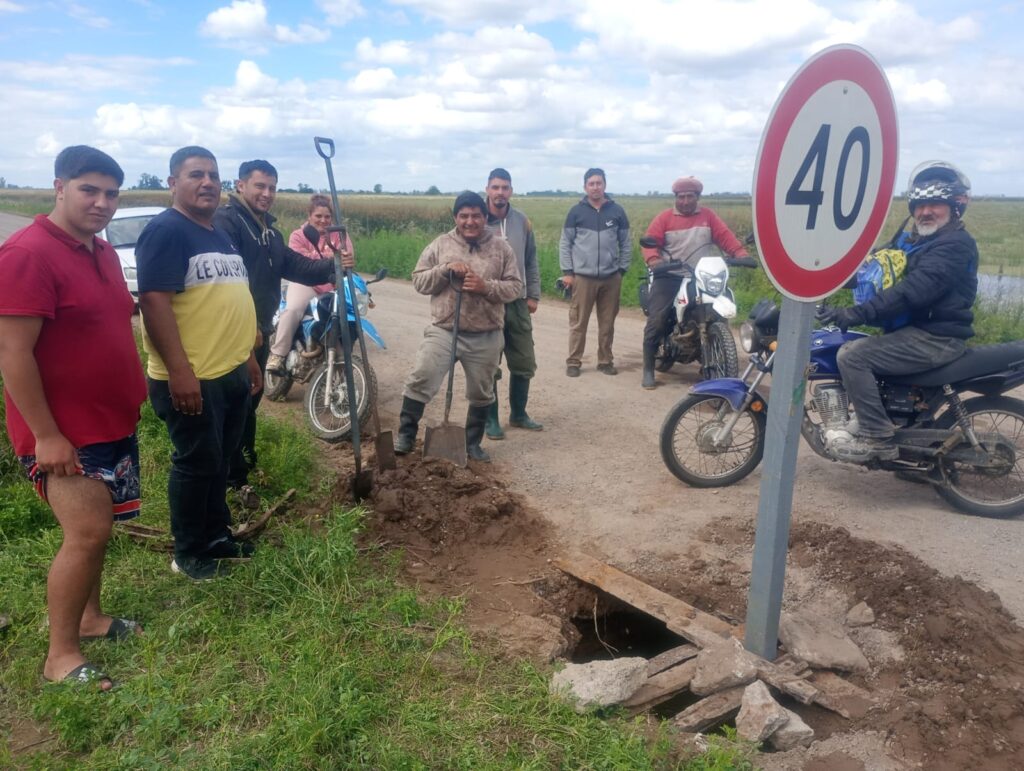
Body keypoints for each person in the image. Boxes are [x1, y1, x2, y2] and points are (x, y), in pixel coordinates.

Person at [0, 145, 146, 690]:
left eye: (112, 193)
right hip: (64, 431)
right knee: (85, 534)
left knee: (100, 531)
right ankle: (59, 655)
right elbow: (12, 353)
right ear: (59, 186)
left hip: (110, 420)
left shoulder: (101, 251)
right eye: (89, 189)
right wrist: (45, 435)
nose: (103, 202)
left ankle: (89, 618)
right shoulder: (27, 254)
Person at [136, 146, 260, 581]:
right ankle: (189, 553)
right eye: (195, 175)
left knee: (220, 461)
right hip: (192, 376)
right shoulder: (167, 231)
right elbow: (153, 303)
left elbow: (228, 303)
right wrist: (179, 371)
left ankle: (216, 537)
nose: (207, 182)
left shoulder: (217, 233)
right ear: (173, 183)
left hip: (228, 371)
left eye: (213, 175)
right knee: (195, 463)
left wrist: (247, 359)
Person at [817, 163, 978, 463]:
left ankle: (878, 437)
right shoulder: (917, 241)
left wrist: (858, 312)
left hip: (936, 337)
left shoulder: (954, 245)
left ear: (955, 207)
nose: (925, 212)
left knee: (853, 355)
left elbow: (913, 292)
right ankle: (879, 422)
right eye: (919, 205)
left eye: (935, 204)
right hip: (919, 332)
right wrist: (826, 278)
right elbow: (874, 270)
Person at [213, 161, 337, 490]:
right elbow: (228, 286)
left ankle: (244, 471)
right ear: (241, 185)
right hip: (234, 332)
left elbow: (294, 265)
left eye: (272, 187)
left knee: (248, 403)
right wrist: (245, 328)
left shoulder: (267, 230)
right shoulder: (227, 223)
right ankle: (229, 481)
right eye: (259, 186)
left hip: (258, 330)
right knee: (233, 406)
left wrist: (332, 268)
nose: (267, 193)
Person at [395, 191, 522, 463]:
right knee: (422, 376)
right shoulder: (440, 245)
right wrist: (444, 270)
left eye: (476, 215)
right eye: (463, 215)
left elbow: (515, 287)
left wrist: (485, 287)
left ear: (484, 217)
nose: (470, 221)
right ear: (455, 217)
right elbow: (418, 281)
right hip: (444, 330)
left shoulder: (501, 248)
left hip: (486, 333)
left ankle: (471, 443)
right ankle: (406, 435)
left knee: (481, 390)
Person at [639, 176, 750, 389]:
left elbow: (725, 237)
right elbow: (650, 242)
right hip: (670, 275)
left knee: (716, 310)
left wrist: (740, 254)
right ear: (676, 197)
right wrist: (654, 260)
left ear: (697, 197)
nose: (686, 201)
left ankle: (712, 357)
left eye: (690, 196)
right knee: (657, 319)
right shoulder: (665, 218)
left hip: (702, 274)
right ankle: (648, 369)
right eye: (681, 196)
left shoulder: (708, 216)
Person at [482, 168, 543, 440]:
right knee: (488, 364)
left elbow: (530, 259)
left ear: (511, 191)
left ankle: (518, 414)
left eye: (505, 188)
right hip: (486, 304)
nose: (500, 193)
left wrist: (533, 295)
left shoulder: (522, 222)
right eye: (495, 187)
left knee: (524, 361)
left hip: (517, 302)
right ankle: (490, 419)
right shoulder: (476, 220)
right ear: (487, 189)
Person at [559, 168, 631, 377]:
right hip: (582, 277)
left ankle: (605, 360)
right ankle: (574, 362)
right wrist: (568, 272)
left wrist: (622, 269)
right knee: (579, 322)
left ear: (605, 185)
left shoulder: (617, 211)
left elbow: (625, 243)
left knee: (607, 323)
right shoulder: (576, 212)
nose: (595, 187)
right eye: (591, 183)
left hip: (611, 277)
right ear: (585, 187)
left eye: (599, 183)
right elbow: (565, 243)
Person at [269, 194, 355, 368]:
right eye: (318, 216)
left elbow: (348, 257)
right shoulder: (298, 235)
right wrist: (332, 256)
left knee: (347, 312)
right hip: (305, 282)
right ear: (309, 216)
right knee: (293, 309)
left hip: (332, 284)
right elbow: (299, 261)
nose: (323, 220)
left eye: (327, 216)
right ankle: (277, 354)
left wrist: (333, 258)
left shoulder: (339, 234)